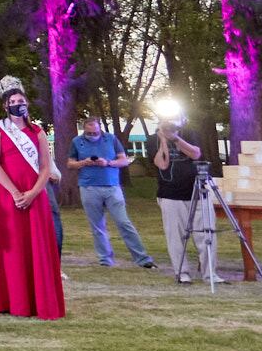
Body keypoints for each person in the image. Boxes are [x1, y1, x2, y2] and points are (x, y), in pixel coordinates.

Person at [0, 76, 65, 319]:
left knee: (34, 245)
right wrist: (15, 192)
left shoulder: (37, 131)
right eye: (13, 101)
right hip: (5, 195)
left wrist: (34, 192)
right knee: (11, 247)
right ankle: (7, 299)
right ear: (5, 106)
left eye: (21, 100)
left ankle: (36, 300)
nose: (18, 104)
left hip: (34, 194)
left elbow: (46, 167)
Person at [67, 112, 156, 269]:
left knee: (123, 222)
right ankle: (105, 260)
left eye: (95, 133)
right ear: (84, 131)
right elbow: (70, 163)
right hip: (88, 187)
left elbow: (123, 161)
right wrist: (84, 163)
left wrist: (107, 163)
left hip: (112, 186)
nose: (92, 135)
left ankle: (142, 258)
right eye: (89, 133)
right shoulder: (77, 141)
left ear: (100, 129)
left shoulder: (111, 139)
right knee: (97, 226)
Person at [150, 114, 213, 286]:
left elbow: (195, 154)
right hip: (170, 194)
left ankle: (210, 274)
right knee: (175, 236)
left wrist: (175, 138)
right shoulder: (152, 140)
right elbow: (162, 164)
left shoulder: (190, 133)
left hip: (198, 191)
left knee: (206, 233)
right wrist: (163, 139)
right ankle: (182, 273)